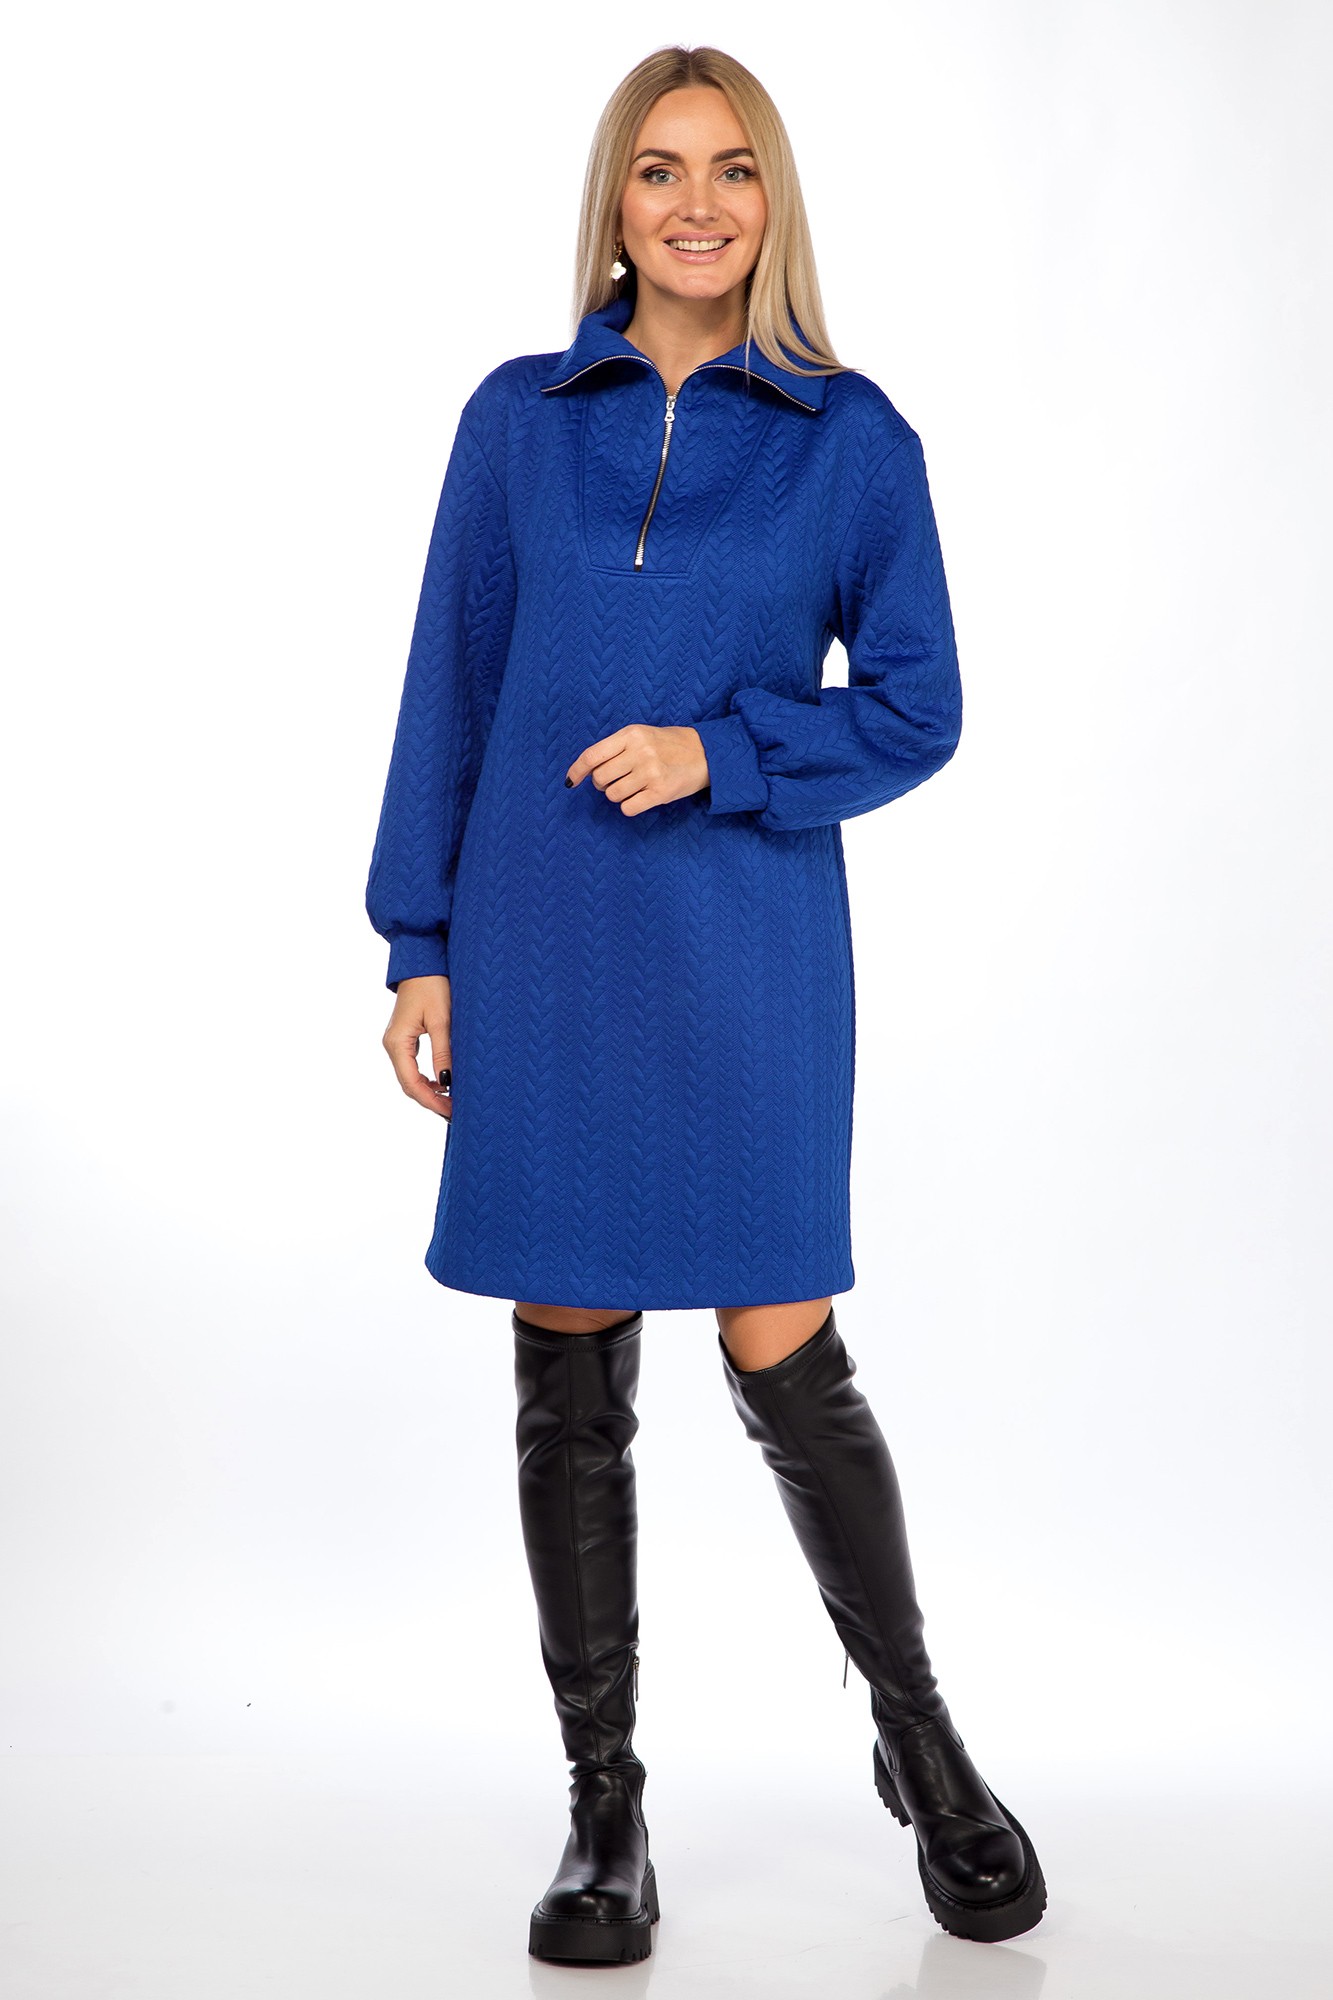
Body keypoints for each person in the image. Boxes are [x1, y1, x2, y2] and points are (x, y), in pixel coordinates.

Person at [365, 42, 1047, 1964]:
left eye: (731, 169)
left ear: (772, 201)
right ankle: (605, 1809)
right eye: (659, 168)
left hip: (745, 951)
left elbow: (915, 707)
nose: (695, 203)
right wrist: (417, 943)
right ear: (614, 199)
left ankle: (925, 1749)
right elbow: (450, 687)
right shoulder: (516, 423)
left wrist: (721, 752)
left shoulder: (850, 440)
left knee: (780, 1337)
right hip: (543, 942)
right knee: (569, 1354)